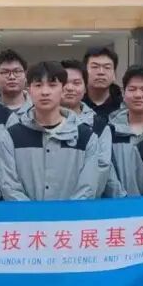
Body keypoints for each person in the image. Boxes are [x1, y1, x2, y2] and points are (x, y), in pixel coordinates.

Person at [0, 61, 100, 200]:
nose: (45, 92)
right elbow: (9, 187)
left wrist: (66, 213)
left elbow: (87, 189)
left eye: (52, 85)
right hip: (24, 214)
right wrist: (34, 213)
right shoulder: (11, 136)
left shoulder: (86, 137)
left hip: (73, 214)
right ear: (29, 89)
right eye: (38, 85)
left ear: (63, 89)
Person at [62, 59, 118, 198]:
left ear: (85, 88)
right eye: (64, 83)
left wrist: (81, 200)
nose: (69, 88)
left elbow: (102, 167)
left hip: (86, 203)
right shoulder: (38, 122)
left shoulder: (99, 126)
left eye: (76, 83)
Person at [108, 65, 143, 197]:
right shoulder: (110, 130)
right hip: (120, 205)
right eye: (132, 89)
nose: (138, 95)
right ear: (124, 93)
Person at [82, 47, 122, 121]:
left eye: (107, 67)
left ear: (114, 74)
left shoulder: (124, 107)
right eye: (95, 67)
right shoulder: (76, 104)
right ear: (84, 72)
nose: (101, 72)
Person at [0, 49, 31, 117]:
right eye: (5, 72)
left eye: (17, 71)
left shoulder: (39, 107)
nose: (12, 77)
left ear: (25, 76)